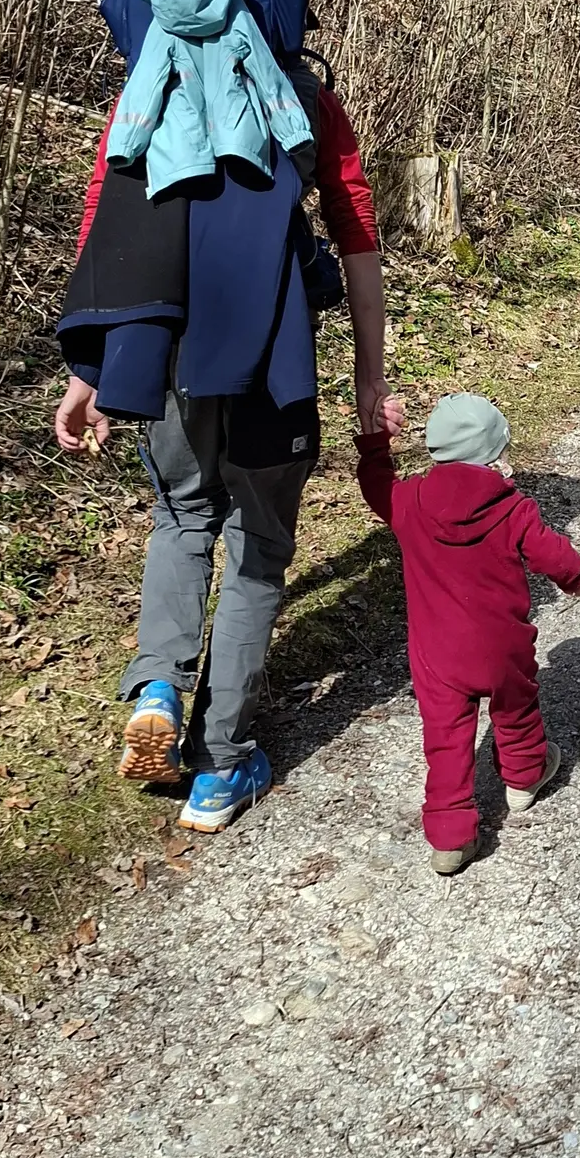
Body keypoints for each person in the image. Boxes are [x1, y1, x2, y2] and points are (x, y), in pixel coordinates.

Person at [54, 58, 393, 831]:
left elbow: (104, 216)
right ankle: (221, 766)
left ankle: (160, 689)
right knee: (259, 544)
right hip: (274, 355)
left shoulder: (151, 86)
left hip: (168, 348)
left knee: (181, 518)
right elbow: (356, 231)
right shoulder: (307, 96)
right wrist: (370, 375)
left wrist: (91, 366)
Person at [358, 392, 580, 875]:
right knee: (516, 708)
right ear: (495, 453)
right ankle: (524, 778)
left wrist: (376, 443)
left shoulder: (409, 501)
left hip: (435, 651)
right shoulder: (514, 509)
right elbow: (556, 558)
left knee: (446, 737)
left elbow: (375, 485)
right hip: (501, 645)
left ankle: (450, 837)